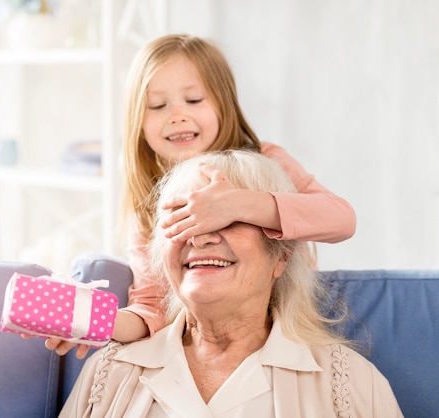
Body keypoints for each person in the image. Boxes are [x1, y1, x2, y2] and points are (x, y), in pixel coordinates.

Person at [46, 33, 356, 358]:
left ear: (224, 104)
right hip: (205, 350)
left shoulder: (268, 163)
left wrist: (238, 205)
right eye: (157, 105)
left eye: (194, 100)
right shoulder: (148, 205)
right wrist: (93, 321)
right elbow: (151, 310)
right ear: (138, 120)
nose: (177, 115)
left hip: (281, 338)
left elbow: (342, 219)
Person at [59, 150, 402, 417]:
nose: (201, 237)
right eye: (183, 216)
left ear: (281, 257)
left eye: (231, 217)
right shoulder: (108, 373)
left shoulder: (350, 384)